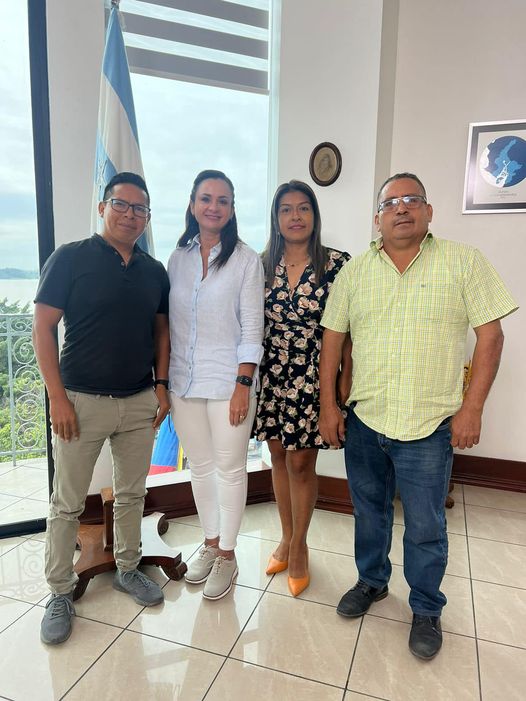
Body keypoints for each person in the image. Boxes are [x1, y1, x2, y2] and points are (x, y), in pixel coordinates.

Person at [319, 172, 518, 659]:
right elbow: (332, 343)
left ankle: (426, 607)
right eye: (391, 203)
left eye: (412, 200)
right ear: (377, 219)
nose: (401, 208)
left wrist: (472, 408)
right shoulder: (355, 272)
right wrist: (328, 405)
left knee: (426, 526)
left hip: (430, 427)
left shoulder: (463, 261)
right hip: (366, 420)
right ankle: (372, 581)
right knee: (369, 513)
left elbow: (491, 337)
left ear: (429, 212)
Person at [33, 172, 171, 645]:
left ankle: (129, 568)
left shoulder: (154, 271)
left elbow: (161, 332)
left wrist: (161, 386)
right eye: (121, 204)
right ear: (102, 207)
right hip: (80, 402)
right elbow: (43, 327)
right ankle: (59, 590)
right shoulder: (70, 258)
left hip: (138, 402)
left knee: (132, 494)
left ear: (147, 217)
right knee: (67, 502)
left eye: (140, 208)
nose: (130, 214)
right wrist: (56, 397)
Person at [168, 169, 264, 601]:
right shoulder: (178, 257)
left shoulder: (245, 260)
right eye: (206, 198)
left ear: (231, 209)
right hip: (183, 382)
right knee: (200, 468)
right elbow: (169, 323)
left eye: (223, 200)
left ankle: (227, 553)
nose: (213, 207)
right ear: (192, 205)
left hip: (229, 383)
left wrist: (244, 383)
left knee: (230, 469)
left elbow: (253, 327)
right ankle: (209, 543)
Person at [255, 180, 351, 597]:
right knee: (277, 456)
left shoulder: (337, 264)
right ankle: (285, 536)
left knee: (301, 463)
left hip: (313, 374)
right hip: (272, 372)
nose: (295, 216)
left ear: (314, 215)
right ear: (276, 218)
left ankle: (299, 547)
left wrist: (344, 378)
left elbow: (348, 328)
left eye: (303, 208)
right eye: (286, 209)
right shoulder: (261, 264)